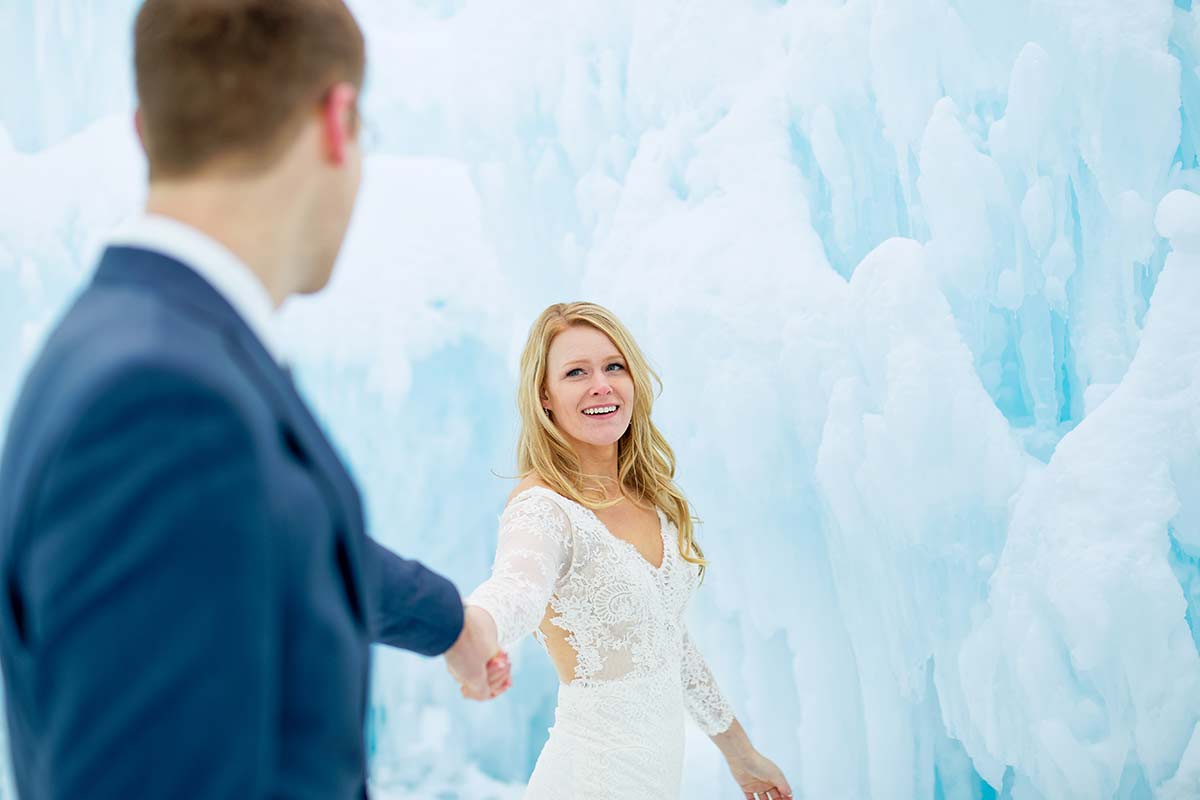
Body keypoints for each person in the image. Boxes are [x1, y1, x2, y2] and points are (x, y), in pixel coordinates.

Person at [0, 1, 508, 798]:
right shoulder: (163, 405)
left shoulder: (139, 343)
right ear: (338, 121)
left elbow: (253, 540)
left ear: (146, 131)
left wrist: (444, 618)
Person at [465, 302, 792, 799]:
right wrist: (475, 631)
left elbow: (668, 642)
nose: (601, 385)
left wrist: (740, 755)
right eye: (576, 372)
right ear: (544, 396)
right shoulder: (543, 507)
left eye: (613, 366)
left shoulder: (650, 499)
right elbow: (515, 586)